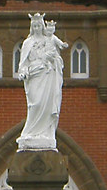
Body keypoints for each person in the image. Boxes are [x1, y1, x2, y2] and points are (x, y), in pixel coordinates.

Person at [16, 13, 68, 151]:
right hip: (34, 75)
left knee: (47, 103)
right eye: (35, 26)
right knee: (35, 104)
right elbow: (23, 62)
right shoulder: (28, 43)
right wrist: (23, 72)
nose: (37, 28)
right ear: (32, 27)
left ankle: (45, 133)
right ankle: (31, 132)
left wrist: (52, 59)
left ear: (42, 26)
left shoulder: (48, 39)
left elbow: (57, 57)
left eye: (39, 26)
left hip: (47, 76)